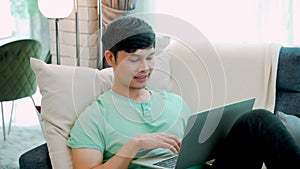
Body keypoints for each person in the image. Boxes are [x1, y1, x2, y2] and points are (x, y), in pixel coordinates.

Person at [67, 16, 300, 169]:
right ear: (111, 58)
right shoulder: (94, 117)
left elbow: (198, 153)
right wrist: (134, 145)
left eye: (150, 57)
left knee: (257, 120)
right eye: (134, 59)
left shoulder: (174, 103)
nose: (145, 68)